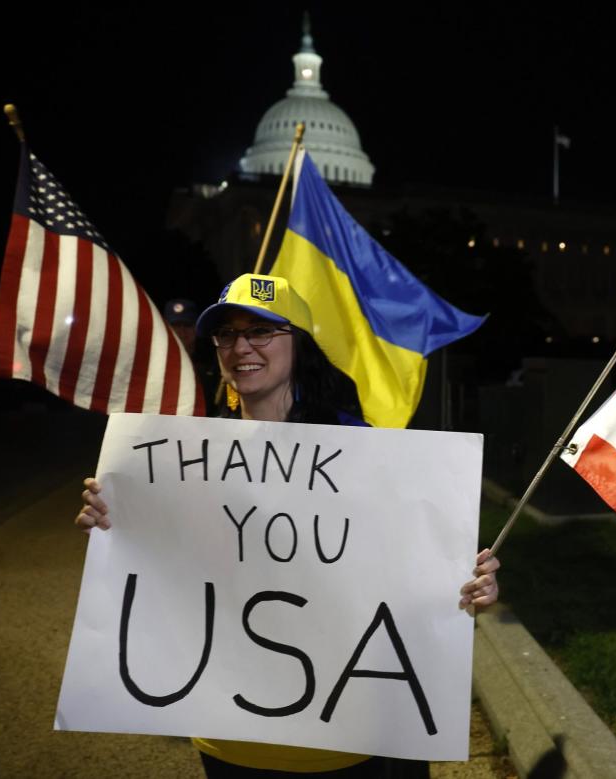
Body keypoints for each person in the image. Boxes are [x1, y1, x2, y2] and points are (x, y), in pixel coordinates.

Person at [77, 273, 500, 778]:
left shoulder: (362, 447)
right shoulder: (183, 456)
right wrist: (114, 525)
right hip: (230, 733)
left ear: (298, 344)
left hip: (346, 735)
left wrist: (467, 581)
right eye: (228, 334)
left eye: (260, 331)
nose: (241, 348)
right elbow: (168, 568)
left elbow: (408, 570)